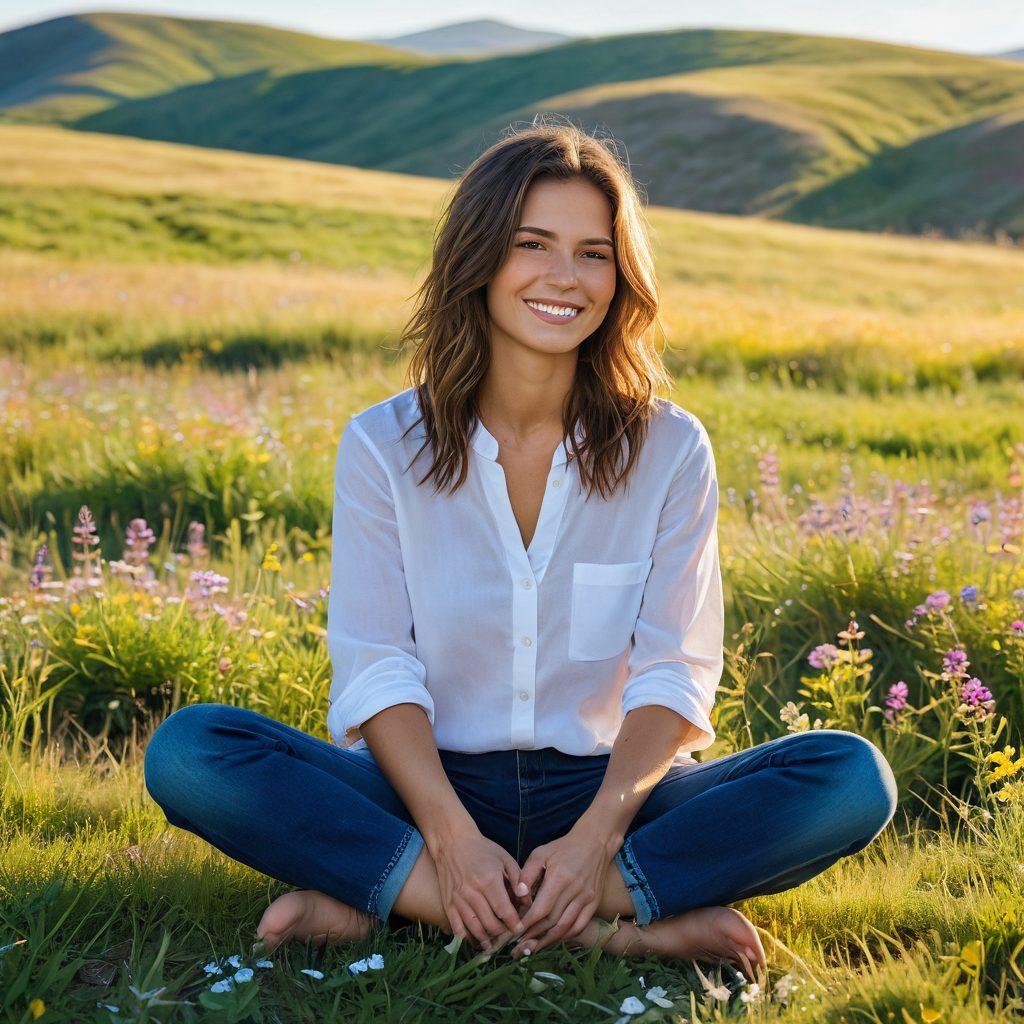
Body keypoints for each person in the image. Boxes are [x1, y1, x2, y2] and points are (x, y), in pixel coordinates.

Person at [144, 118, 897, 977]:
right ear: (481, 258)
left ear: (621, 277)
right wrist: (452, 836)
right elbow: (377, 663)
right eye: (532, 243)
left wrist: (592, 839)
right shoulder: (384, 444)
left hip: (607, 789)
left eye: (593, 253)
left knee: (848, 779)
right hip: (426, 783)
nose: (563, 278)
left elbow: (675, 672)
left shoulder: (670, 448)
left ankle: (416, 903)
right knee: (193, 754)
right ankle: (600, 922)